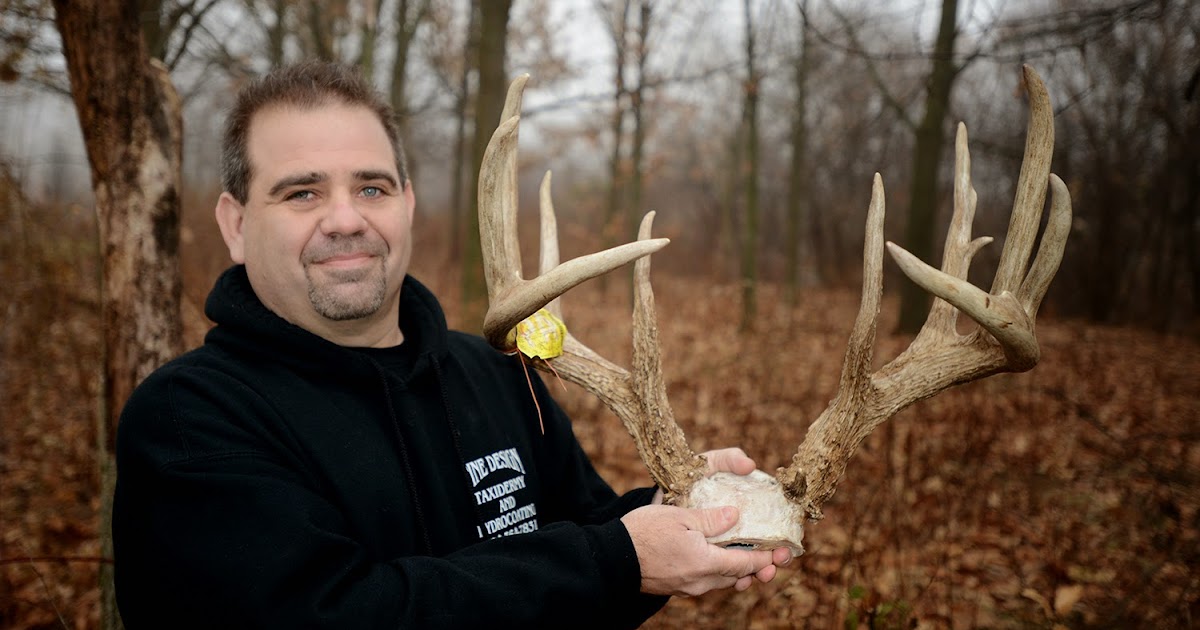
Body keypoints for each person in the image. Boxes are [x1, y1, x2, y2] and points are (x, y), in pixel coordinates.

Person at [112, 60, 790, 628]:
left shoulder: (493, 373)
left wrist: (673, 513)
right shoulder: (188, 422)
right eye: (301, 193)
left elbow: (586, 549)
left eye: (370, 187)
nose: (345, 219)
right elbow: (342, 614)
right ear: (234, 223)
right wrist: (617, 556)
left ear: (407, 203)